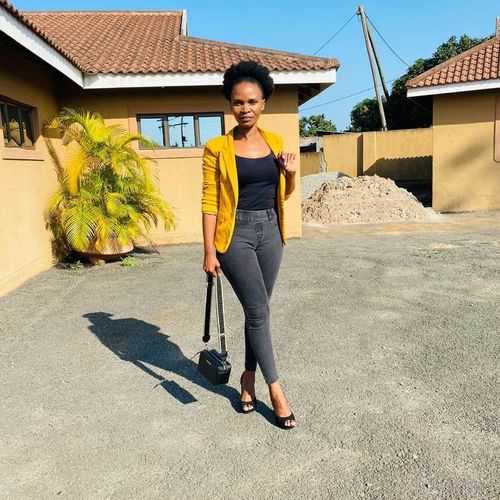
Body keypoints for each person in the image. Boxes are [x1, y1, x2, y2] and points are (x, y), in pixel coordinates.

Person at [201, 60, 298, 429]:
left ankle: (247, 379)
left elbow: (283, 193)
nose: (245, 108)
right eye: (238, 102)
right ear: (230, 104)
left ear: (263, 103)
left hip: (271, 232)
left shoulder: (275, 142)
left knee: (258, 312)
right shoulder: (217, 148)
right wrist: (209, 250)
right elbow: (210, 201)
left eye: (252, 101)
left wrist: (290, 174)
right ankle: (276, 390)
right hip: (235, 235)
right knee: (258, 312)